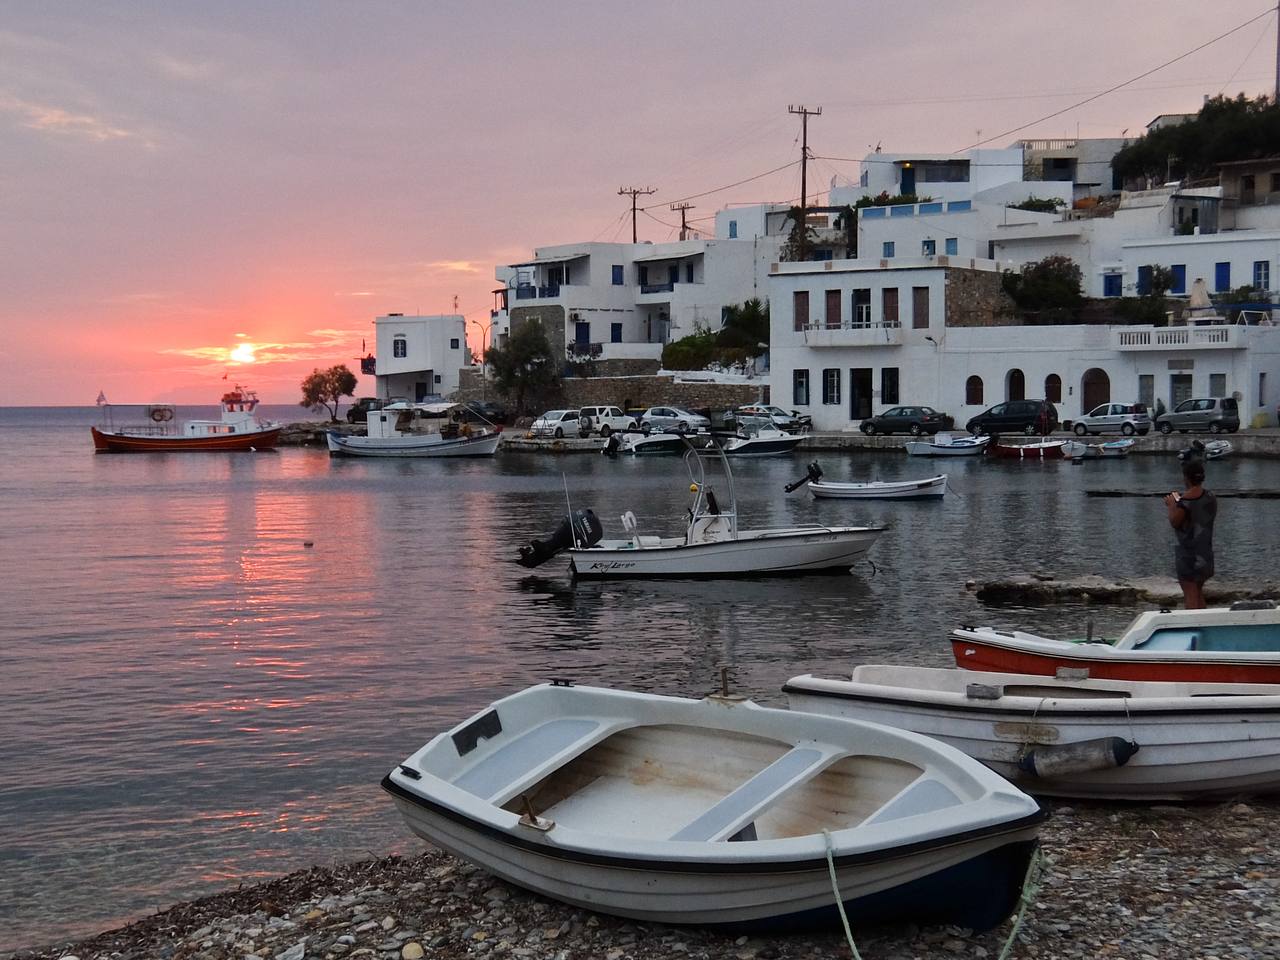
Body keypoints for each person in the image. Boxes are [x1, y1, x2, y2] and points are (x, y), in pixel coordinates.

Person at [1163, 458, 1217, 609]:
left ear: (1186, 478)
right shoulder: (1210, 497)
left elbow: (1175, 521)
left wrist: (1172, 505)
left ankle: (1193, 626)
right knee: (1198, 593)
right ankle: (1205, 626)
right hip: (1206, 553)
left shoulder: (1185, 501)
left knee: (1190, 594)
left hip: (1189, 556)